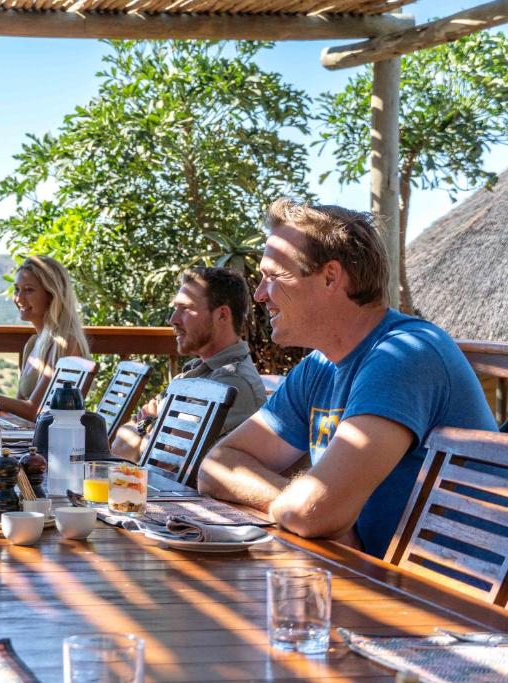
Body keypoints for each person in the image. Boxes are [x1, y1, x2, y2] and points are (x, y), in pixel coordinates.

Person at [197, 199, 497, 558]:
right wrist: (294, 503)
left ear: (330, 277)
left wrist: (311, 511)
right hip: (369, 571)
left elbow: (313, 513)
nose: (260, 294)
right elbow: (216, 466)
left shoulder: (404, 355)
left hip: (447, 587)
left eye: (273, 276)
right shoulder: (320, 366)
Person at [112, 267, 266, 462]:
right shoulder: (195, 372)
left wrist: (145, 423)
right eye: (176, 308)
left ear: (222, 315)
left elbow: (158, 459)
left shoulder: (230, 383)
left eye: (186, 308)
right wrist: (149, 428)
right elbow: (121, 447)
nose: (173, 319)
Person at [0, 255, 90, 420]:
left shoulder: (65, 343)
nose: (19, 298)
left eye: (29, 290)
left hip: (51, 435)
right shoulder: (33, 343)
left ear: (51, 295)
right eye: (17, 289)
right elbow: (18, 407)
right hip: (27, 432)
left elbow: (34, 411)